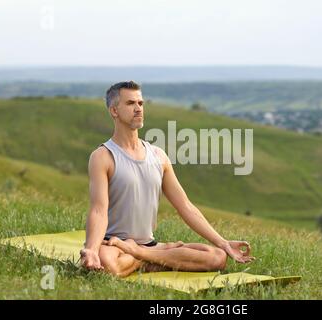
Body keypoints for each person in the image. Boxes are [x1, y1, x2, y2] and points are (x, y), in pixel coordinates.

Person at [80, 81, 255, 277]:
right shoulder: (103, 156)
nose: (138, 109)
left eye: (141, 103)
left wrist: (223, 243)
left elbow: (185, 206)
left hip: (148, 245)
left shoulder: (158, 156)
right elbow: (98, 209)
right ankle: (158, 259)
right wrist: (92, 249)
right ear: (114, 111)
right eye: (131, 104)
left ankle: (140, 256)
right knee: (107, 264)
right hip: (114, 244)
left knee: (218, 257)